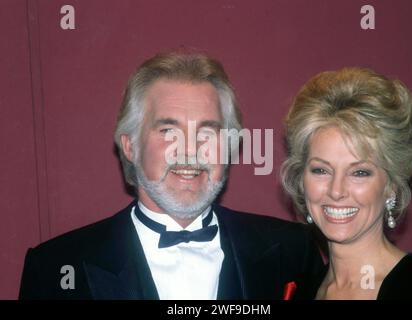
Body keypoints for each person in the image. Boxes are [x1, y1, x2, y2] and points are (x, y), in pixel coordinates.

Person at [19, 51, 323, 300]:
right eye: (168, 131)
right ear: (130, 146)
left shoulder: (292, 251)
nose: (190, 150)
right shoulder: (55, 267)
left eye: (207, 131)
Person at [281, 67, 412, 300]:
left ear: (392, 185)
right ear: (302, 180)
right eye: (321, 170)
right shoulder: (297, 291)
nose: (336, 191)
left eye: (360, 173)